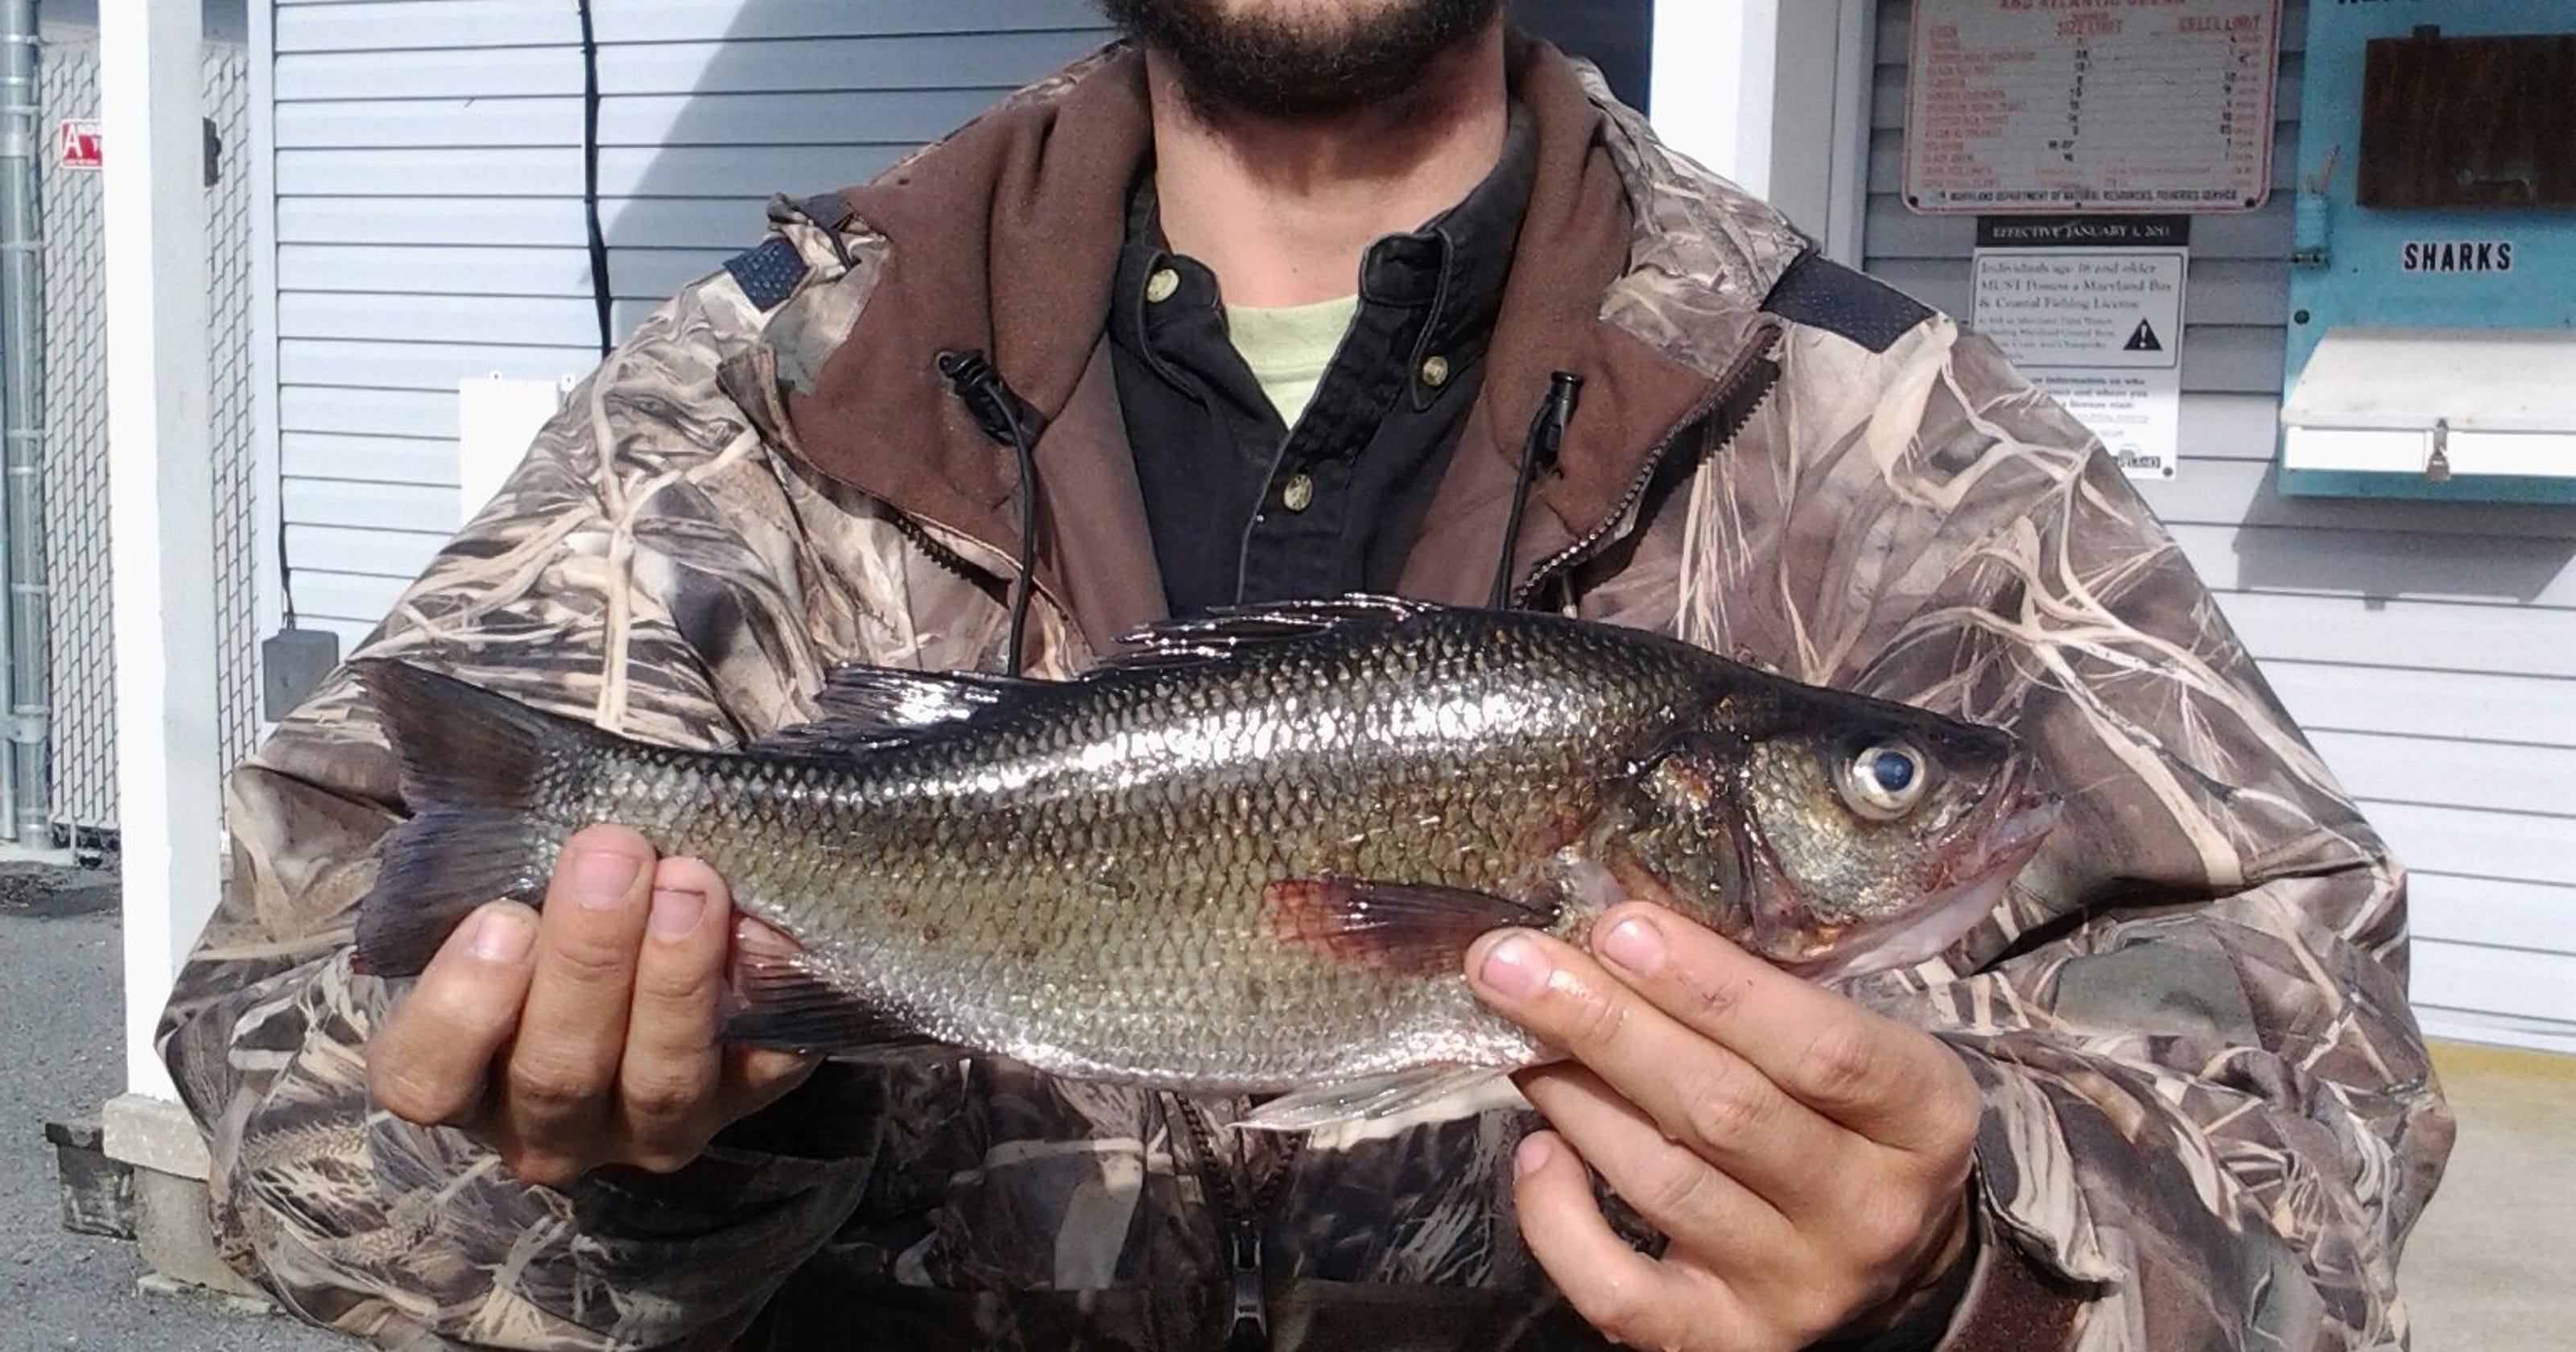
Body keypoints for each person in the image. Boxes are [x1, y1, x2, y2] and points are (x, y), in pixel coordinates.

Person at [159, 2, 2454, 1350]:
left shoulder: (1896, 437)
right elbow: (277, 1051)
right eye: (1864, 789)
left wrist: (1975, 1270)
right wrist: (640, 1176)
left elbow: (2309, 1101)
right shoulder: (753, 399)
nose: (1887, 806)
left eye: (1855, 787)